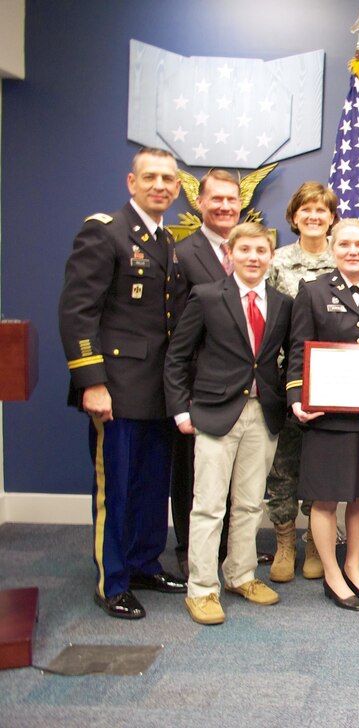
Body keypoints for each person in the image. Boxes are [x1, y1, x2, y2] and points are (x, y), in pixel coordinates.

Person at [58, 146, 187, 620]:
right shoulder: (105, 232)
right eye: (150, 176)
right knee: (116, 487)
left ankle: (143, 564)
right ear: (131, 183)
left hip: (157, 390)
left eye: (168, 179)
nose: (160, 185)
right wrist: (91, 381)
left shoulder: (166, 240)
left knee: (152, 486)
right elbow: (77, 313)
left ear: (177, 189)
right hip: (115, 388)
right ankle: (111, 580)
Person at [164, 222, 292, 626]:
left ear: (271, 257)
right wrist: (181, 411)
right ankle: (202, 588)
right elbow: (177, 357)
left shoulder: (282, 302)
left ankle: (240, 575)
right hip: (215, 413)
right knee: (208, 506)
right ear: (230, 255)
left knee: (251, 503)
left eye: (261, 251)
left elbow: (291, 356)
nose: (253, 257)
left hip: (263, 413)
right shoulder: (205, 297)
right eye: (245, 250)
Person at [286, 219, 359, 612]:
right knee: (326, 497)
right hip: (326, 414)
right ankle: (332, 572)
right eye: (344, 244)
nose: (352, 251)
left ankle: (354, 565)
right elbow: (298, 350)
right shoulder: (312, 292)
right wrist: (297, 397)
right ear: (333, 248)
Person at [264, 182, 339, 583]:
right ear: (294, 217)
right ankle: (284, 542)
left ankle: (316, 541)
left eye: (321, 210)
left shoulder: (343, 259)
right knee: (283, 463)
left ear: (332, 218)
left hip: (332, 380)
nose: (313, 216)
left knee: (322, 462)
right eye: (305, 210)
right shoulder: (275, 262)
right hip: (282, 376)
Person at [171, 169, 242, 577]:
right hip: (201, 386)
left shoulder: (252, 250)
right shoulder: (184, 253)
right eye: (216, 199)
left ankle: (232, 548)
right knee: (192, 473)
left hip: (242, 387)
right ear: (199, 203)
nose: (224, 207)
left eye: (231, 200)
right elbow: (178, 334)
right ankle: (188, 549)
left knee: (235, 474)